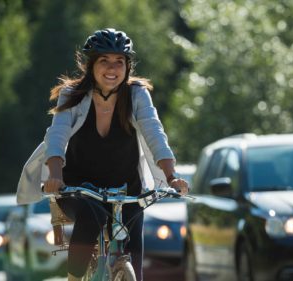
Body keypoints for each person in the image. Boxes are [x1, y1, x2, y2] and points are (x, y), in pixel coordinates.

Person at [16, 28, 188, 281]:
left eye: (119, 61)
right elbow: (58, 134)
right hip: (79, 188)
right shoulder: (73, 95)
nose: (112, 68)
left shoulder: (137, 94)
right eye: (104, 61)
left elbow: (154, 133)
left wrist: (172, 176)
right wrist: (54, 175)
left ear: (128, 66)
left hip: (126, 188)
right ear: (91, 65)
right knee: (91, 212)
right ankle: (74, 277)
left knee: (134, 239)